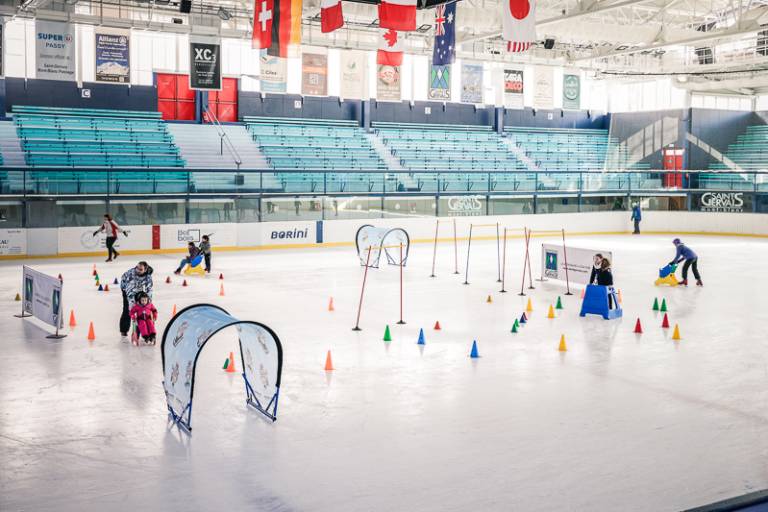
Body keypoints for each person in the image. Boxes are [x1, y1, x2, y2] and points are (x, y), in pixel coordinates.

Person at [119, 262, 154, 337]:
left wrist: (148, 302)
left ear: (145, 270)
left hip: (139, 291)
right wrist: (131, 304)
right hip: (126, 290)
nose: (137, 270)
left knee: (142, 310)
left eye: (140, 269)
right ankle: (124, 330)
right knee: (127, 310)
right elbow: (129, 290)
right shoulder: (131, 274)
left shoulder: (148, 277)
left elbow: (149, 290)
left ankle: (142, 330)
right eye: (137, 268)